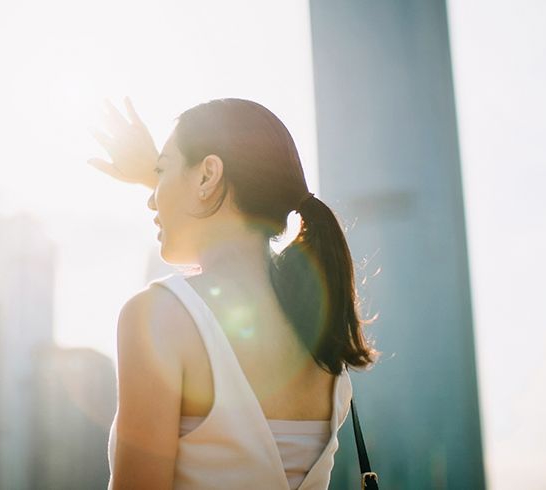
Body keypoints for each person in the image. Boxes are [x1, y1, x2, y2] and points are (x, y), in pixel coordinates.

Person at [88, 97, 378, 490]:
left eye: (162, 171)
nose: (152, 197)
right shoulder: (323, 344)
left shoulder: (157, 318)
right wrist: (166, 176)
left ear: (208, 175)